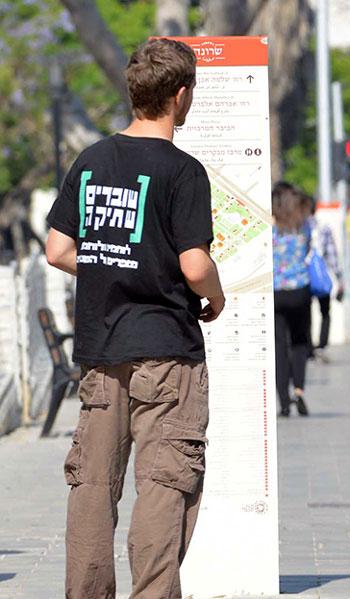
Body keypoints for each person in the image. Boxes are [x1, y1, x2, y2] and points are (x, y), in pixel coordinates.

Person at [43, 38, 225, 599]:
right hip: (167, 353)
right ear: (181, 94)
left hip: (101, 350)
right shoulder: (183, 171)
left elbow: (56, 249)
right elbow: (195, 265)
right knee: (165, 485)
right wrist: (216, 299)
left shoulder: (92, 160)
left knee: (93, 486)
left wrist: (110, 268)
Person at [271, 182, 314, 417]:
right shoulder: (303, 225)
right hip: (300, 290)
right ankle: (299, 390)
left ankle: (284, 402)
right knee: (299, 342)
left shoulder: (271, 225)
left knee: (279, 346)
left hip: (276, 291)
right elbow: (308, 249)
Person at [309, 200, 344, 358]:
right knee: (325, 311)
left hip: (303, 277)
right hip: (321, 276)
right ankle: (322, 344)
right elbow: (332, 255)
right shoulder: (323, 227)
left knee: (304, 311)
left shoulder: (296, 227)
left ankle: (307, 346)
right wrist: (339, 277)